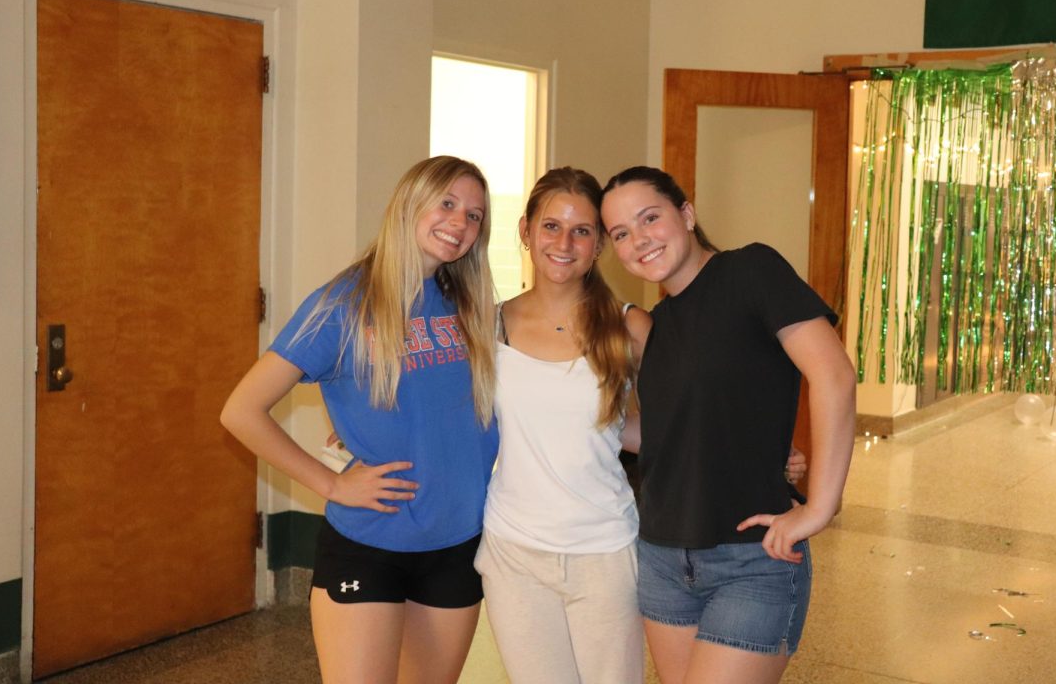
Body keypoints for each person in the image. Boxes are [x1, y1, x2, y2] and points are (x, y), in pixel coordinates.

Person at [220, 156, 499, 684]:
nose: (461, 223)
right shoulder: (343, 304)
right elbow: (241, 411)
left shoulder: (472, 305)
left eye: (475, 215)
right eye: (447, 204)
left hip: (457, 545)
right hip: (372, 544)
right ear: (409, 203)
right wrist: (331, 483)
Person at [600, 166, 856, 684]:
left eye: (650, 218)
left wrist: (819, 508)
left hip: (751, 560)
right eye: (621, 234)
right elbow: (664, 435)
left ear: (687, 214)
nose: (639, 240)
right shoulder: (662, 324)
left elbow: (833, 375)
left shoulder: (751, 271)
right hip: (662, 559)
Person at [474, 166, 651, 683]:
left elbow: (688, 414)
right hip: (514, 551)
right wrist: (362, 430)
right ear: (526, 230)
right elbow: (436, 406)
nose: (564, 242)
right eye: (551, 226)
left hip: (605, 551)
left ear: (599, 244)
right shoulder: (488, 324)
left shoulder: (627, 326)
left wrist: (763, 453)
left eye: (582, 230)